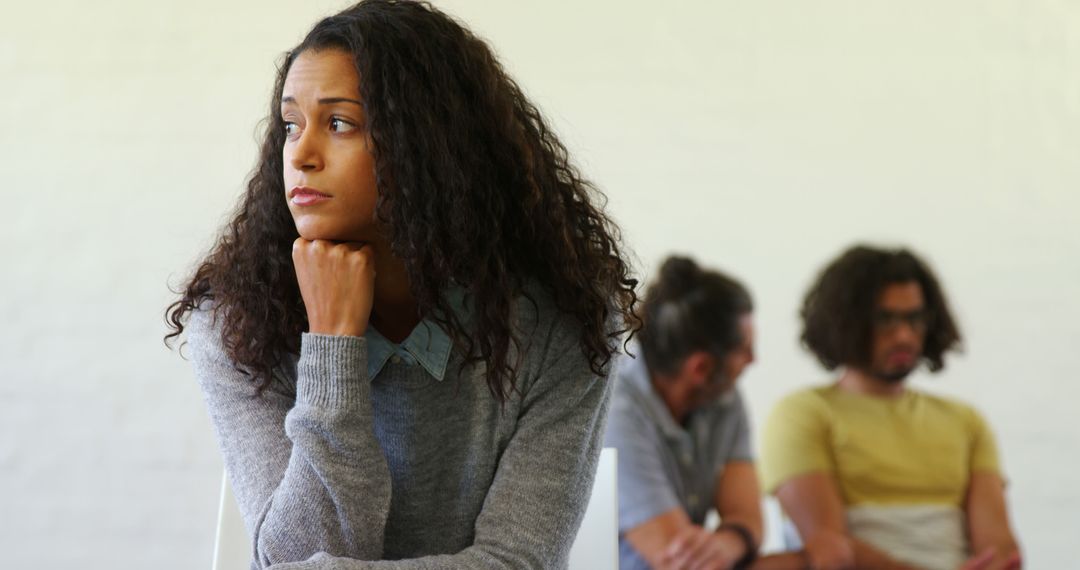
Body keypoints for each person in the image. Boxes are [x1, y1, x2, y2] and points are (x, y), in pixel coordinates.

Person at [164, 1, 638, 568]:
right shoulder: (237, 324)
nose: (301, 156)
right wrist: (332, 344)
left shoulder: (564, 323)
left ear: (428, 144)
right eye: (291, 125)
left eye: (339, 123)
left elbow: (516, 561)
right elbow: (294, 554)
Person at [761, 245, 1022, 570]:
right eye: (884, 320)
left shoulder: (965, 420)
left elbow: (998, 546)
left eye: (915, 319)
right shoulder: (802, 413)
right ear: (845, 322)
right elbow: (830, 548)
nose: (903, 335)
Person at [604, 257, 806, 570]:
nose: (754, 360)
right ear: (701, 368)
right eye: (745, 350)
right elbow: (676, 558)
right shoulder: (617, 413)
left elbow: (748, 519)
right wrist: (734, 542)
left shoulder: (724, 395)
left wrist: (728, 542)